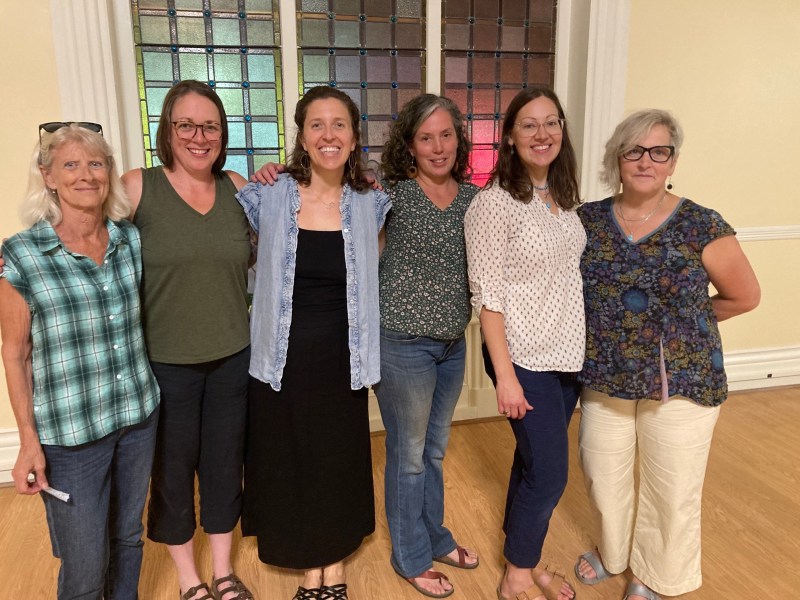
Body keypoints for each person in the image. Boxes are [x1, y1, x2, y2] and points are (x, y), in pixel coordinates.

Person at [573, 110, 760, 600]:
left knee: (671, 486)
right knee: (600, 472)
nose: (646, 160)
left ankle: (654, 575)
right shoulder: (586, 220)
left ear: (673, 160)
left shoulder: (702, 224)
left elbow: (743, 296)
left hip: (681, 379)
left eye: (659, 151)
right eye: (634, 150)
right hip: (604, 374)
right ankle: (613, 552)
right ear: (617, 157)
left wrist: (680, 327)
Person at [236, 85, 390, 600]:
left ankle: (334, 564)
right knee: (291, 454)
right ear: (302, 136)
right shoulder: (269, 194)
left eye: (339, 125)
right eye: (317, 125)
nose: (329, 135)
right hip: (281, 353)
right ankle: (308, 565)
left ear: (353, 137)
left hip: (343, 357)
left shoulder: (372, 202)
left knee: (337, 457)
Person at [0, 122, 160, 599]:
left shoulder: (128, 241)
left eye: (96, 163)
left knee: (128, 539)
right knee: (86, 564)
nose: (85, 175)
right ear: (48, 176)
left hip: (137, 417)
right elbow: (15, 353)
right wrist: (27, 440)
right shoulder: (21, 255)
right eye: (70, 164)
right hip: (70, 437)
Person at [121, 80, 254, 600]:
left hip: (232, 358)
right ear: (167, 130)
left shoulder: (238, 188)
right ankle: (188, 577)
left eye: (210, 126)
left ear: (222, 133)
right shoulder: (137, 187)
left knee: (225, 466)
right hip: (164, 363)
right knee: (172, 473)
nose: (199, 137)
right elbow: (81, 235)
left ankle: (223, 571)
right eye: (186, 125)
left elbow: (285, 245)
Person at [464, 86, 584, 600]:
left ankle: (523, 554)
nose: (543, 133)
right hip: (524, 357)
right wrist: (506, 375)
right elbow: (488, 299)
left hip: (568, 354)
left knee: (533, 463)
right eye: (529, 125)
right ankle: (517, 574)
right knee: (552, 475)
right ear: (510, 137)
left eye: (551, 122)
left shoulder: (562, 200)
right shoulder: (494, 205)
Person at [374, 94, 480, 598]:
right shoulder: (389, 193)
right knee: (409, 454)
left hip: (452, 344)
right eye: (425, 137)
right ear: (409, 145)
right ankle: (410, 555)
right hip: (401, 343)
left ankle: (434, 536)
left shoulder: (474, 199)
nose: (437, 146)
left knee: (435, 452)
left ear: (458, 140)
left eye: (446, 135)